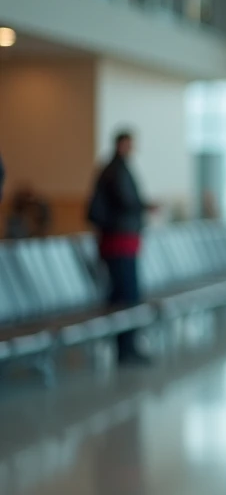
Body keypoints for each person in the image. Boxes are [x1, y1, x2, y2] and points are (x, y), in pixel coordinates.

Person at [88, 130, 155, 365]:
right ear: (121, 145)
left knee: (122, 294)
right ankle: (125, 348)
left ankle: (126, 346)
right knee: (126, 295)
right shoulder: (117, 170)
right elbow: (126, 201)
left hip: (119, 242)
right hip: (119, 242)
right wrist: (144, 206)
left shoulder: (114, 168)